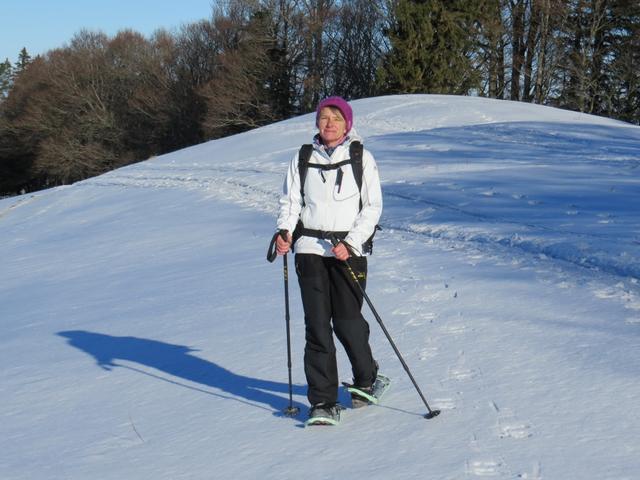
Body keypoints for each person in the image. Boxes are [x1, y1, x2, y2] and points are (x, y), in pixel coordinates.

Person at [275, 96, 383, 424]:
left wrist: (351, 243)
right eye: (324, 117)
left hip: (348, 251)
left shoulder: (360, 156)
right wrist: (284, 231)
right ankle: (322, 401)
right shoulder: (303, 157)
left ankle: (367, 377)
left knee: (348, 322)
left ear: (347, 123)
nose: (330, 123)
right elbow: (290, 200)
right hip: (309, 249)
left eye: (336, 117)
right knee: (317, 326)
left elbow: (373, 207)